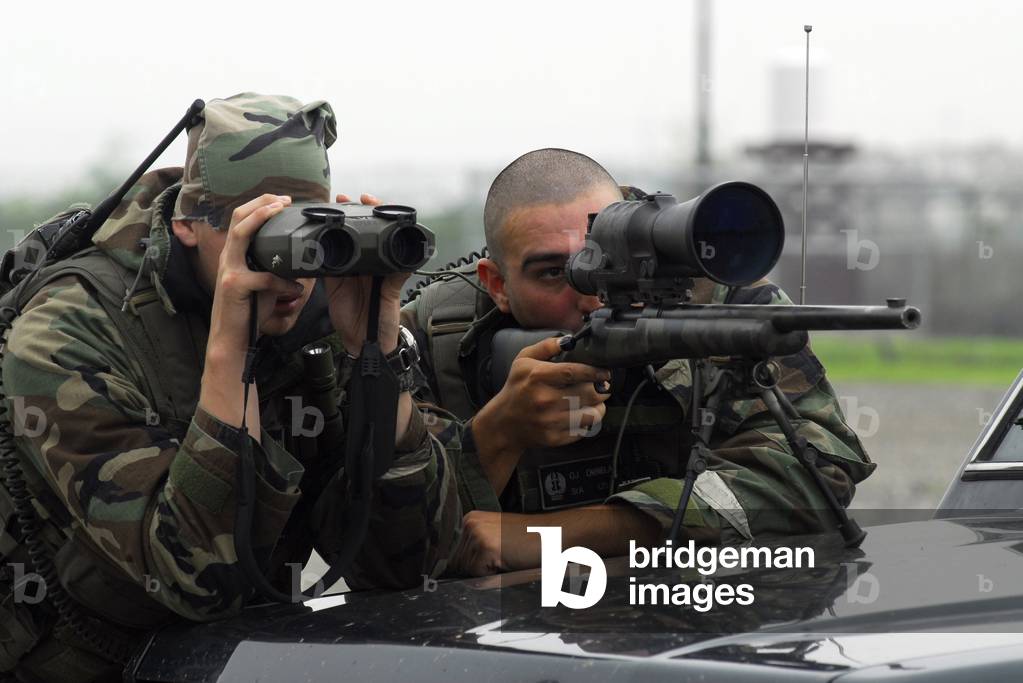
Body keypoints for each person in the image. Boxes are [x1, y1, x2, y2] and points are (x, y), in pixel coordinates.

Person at [0, 93, 461, 681]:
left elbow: (412, 564)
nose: (293, 274)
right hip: (81, 663)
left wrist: (376, 349)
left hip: (243, 657)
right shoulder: (68, 331)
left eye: (308, 233)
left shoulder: (321, 316)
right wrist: (230, 353)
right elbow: (196, 580)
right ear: (186, 223)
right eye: (265, 235)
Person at [403, 148, 874, 577]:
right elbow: (389, 538)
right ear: (498, 285)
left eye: (610, 262)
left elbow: (819, 469)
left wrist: (572, 535)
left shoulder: (720, 301)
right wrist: (499, 433)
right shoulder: (429, 337)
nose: (593, 297)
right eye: (554, 273)